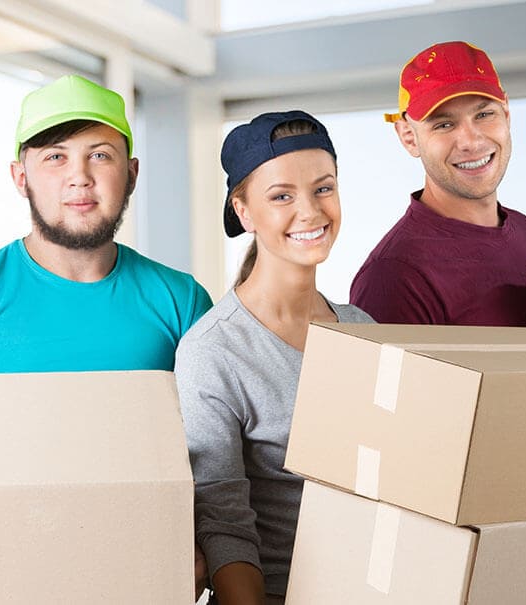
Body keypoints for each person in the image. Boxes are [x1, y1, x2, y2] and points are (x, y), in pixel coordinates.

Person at [175, 110, 372, 604]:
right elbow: (223, 521)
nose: (309, 211)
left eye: (323, 188)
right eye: (281, 196)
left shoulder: (365, 329)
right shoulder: (214, 350)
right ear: (243, 212)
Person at [0, 74, 211, 375]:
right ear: (21, 178)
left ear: (131, 174)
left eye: (100, 155)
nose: (80, 176)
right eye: (55, 156)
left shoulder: (182, 301)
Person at [350, 41, 526, 326]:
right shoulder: (393, 277)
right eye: (444, 124)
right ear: (408, 136)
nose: (472, 141)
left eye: (484, 115)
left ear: (506, 114)